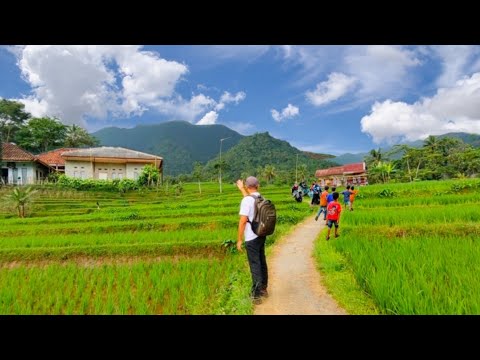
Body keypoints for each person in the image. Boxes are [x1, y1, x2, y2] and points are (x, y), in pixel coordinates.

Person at [236, 176, 268, 304]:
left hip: (251, 237)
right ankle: (264, 289)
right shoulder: (261, 198)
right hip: (261, 234)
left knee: (255, 265)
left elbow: (243, 221)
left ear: (247, 186)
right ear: (258, 186)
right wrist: (241, 189)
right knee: (262, 261)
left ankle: (256, 295)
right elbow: (249, 199)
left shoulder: (247, 201)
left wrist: (239, 239)